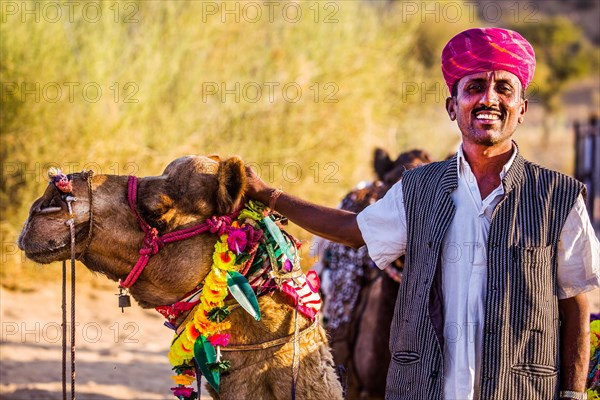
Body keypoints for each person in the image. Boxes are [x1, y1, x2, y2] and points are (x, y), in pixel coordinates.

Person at [245, 27, 600, 400]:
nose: (489, 99)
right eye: (475, 87)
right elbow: (354, 230)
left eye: (504, 89)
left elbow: (574, 300)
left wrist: (573, 395)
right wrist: (269, 195)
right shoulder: (417, 189)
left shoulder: (557, 197)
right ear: (453, 106)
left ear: (522, 109)